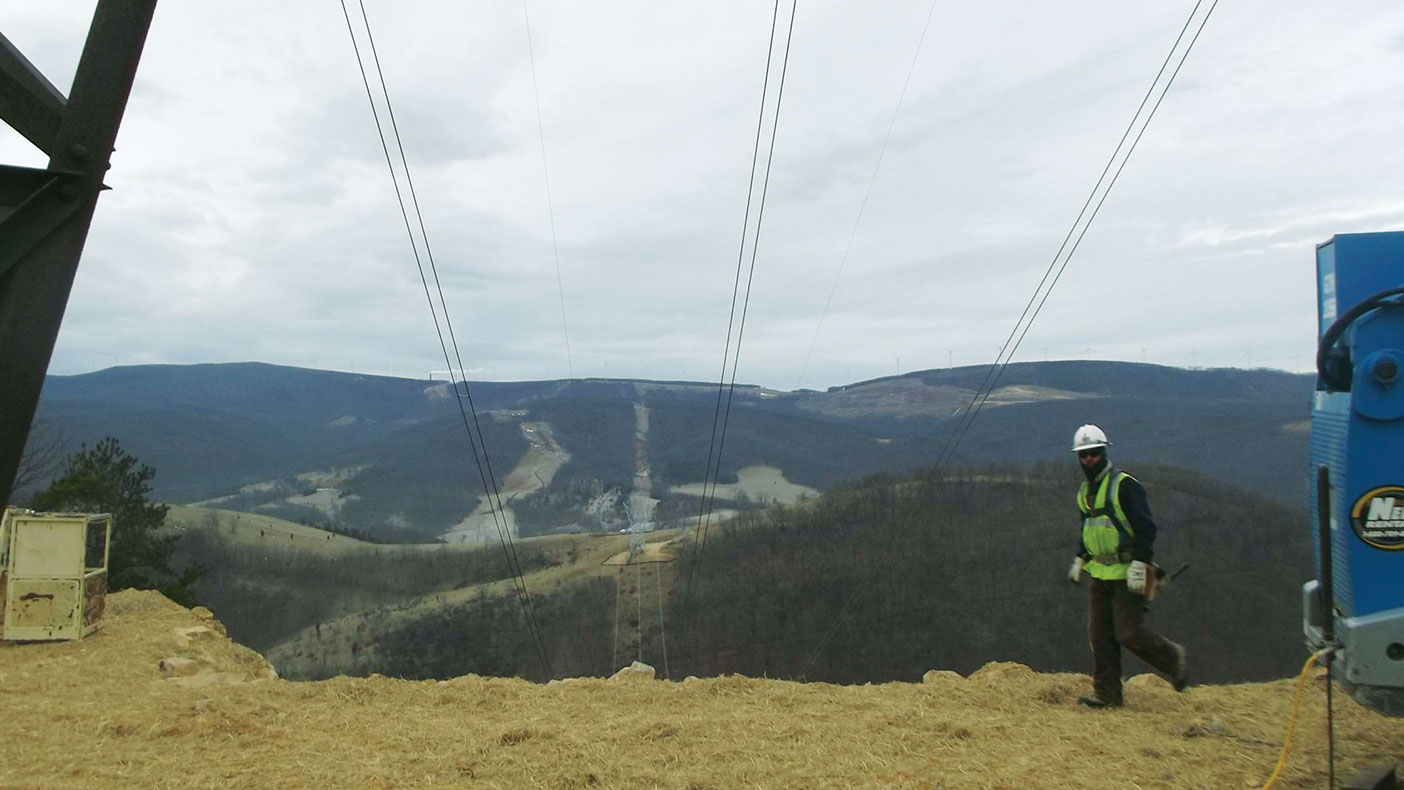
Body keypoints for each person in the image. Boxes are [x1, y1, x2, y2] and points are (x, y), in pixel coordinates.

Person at [1066, 423, 1188, 708]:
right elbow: (1089, 530)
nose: (1089, 460)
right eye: (1083, 455)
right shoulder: (1084, 492)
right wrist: (1079, 558)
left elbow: (1146, 528)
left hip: (1126, 573)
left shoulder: (1124, 486)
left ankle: (1174, 659)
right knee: (1099, 637)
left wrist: (1140, 563)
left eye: (1094, 454)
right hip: (1099, 573)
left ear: (1104, 452)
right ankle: (1108, 695)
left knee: (1129, 633)